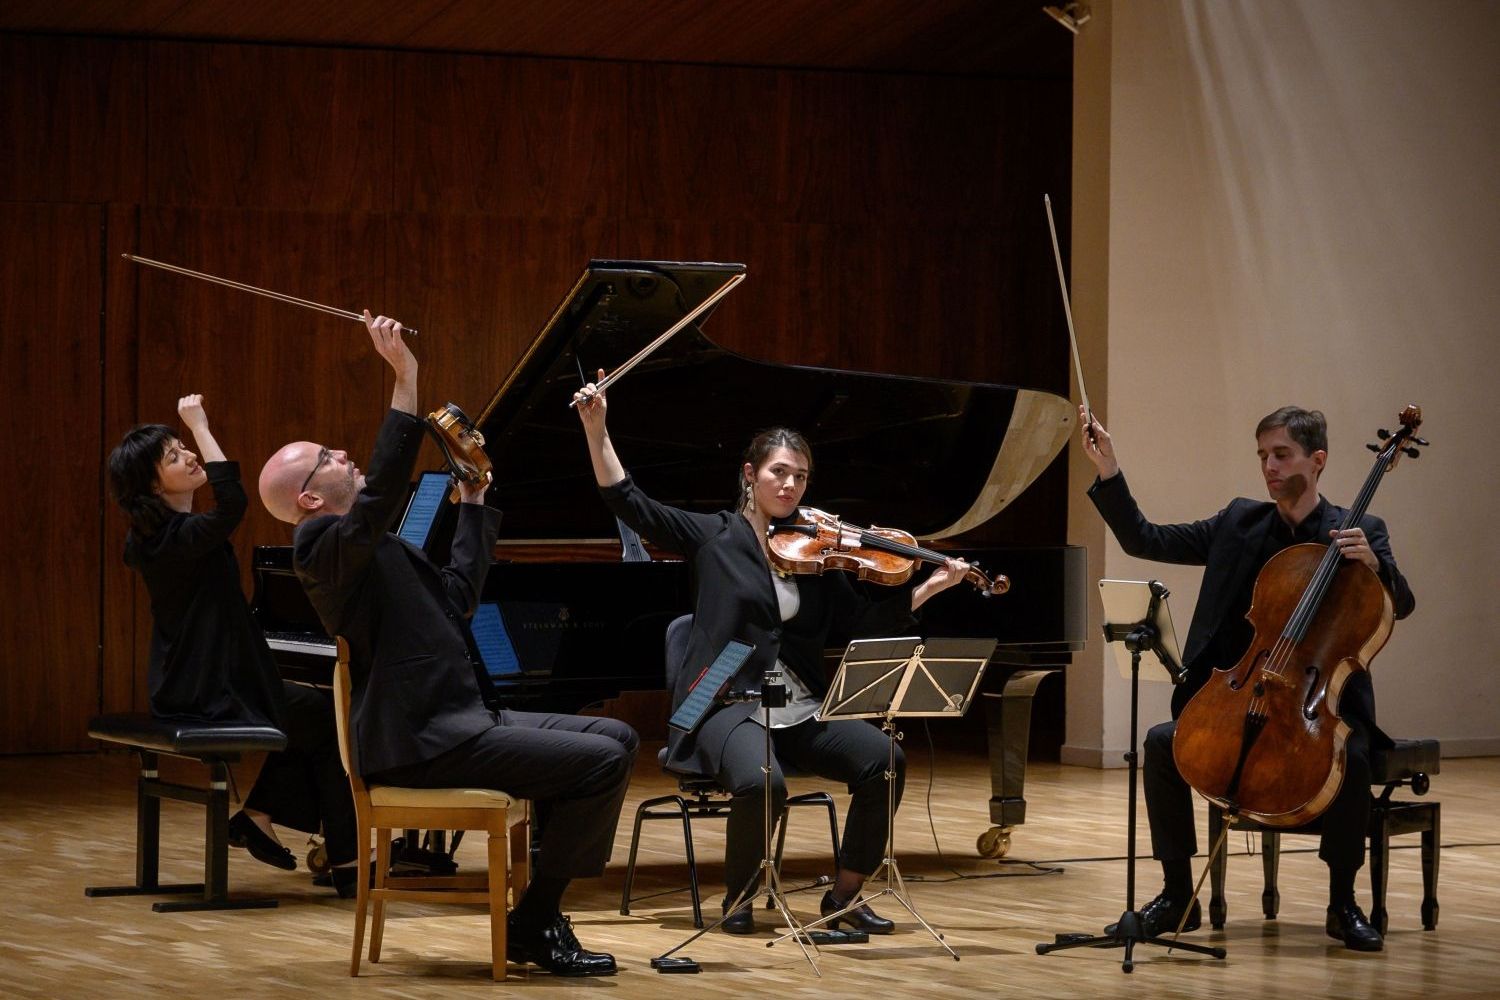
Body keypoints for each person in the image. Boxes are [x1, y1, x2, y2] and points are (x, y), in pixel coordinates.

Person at [257, 314, 636, 978]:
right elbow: (376, 498)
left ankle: (536, 907)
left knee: (619, 741)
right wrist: (405, 376)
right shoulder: (319, 547)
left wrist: (473, 502)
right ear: (311, 495)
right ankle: (537, 920)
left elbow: (458, 595)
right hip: (425, 743)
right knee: (596, 766)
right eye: (329, 458)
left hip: (457, 722)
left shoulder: (376, 547)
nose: (345, 455)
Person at [574, 370, 973, 935]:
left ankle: (845, 895)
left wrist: (926, 589)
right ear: (750, 475)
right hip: (720, 702)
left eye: (800, 477)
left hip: (799, 706)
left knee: (885, 761)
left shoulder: (814, 552)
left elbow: (861, 623)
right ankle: (738, 900)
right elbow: (630, 501)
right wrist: (598, 429)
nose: (789, 486)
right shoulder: (714, 535)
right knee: (764, 782)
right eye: (778, 472)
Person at [1079, 404, 1415, 952]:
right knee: (1162, 744)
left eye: (1282, 454)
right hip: (1242, 697)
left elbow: (1401, 605)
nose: (1270, 467)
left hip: (1315, 704)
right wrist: (1109, 470)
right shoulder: (1238, 522)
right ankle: (1174, 895)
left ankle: (1342, 901)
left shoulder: (1359, 532)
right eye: (1263, 456)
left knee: (1348, 756)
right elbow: (1146, 539)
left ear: (1318, 459)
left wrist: (1378, 569)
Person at [107, 394, 358, 895]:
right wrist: (199, 424)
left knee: (317, 719)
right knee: (334, 721)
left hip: (195, 681)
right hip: (211, 691)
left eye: (183, 446)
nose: (190, 456)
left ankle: (266, 819)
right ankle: (346, 862)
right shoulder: (179, 537)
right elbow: (235, 503)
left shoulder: (154, 537)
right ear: (155, 484)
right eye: (175, 456)